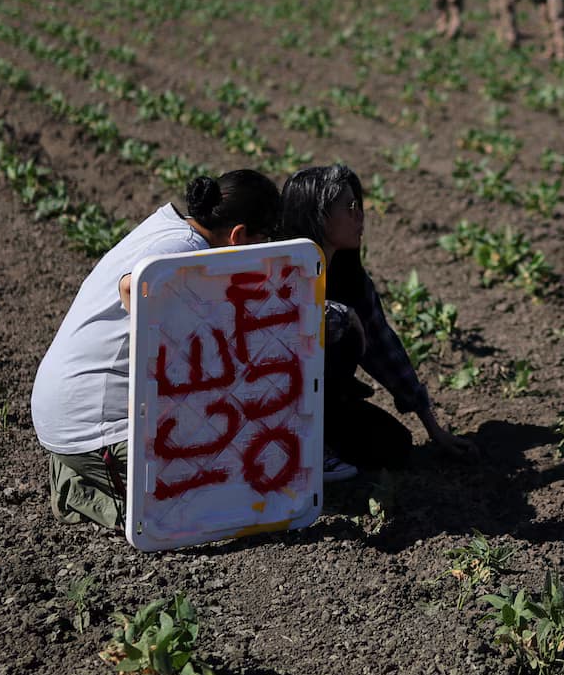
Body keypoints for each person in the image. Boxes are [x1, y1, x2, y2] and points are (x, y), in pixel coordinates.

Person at [31, 170, 281, 528]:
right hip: (94, 425)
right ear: (238, 235)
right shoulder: (185, 251)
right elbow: (133, 287)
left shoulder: (171, 228)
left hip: (67, 409)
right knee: (223, 497)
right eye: (264, 239)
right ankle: (83, 490)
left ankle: (90, 474)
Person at [278, 164, 475, 478]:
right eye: (350, 207)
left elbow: (383, 347)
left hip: (323, 403)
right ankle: (303, 453)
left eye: (359, 205)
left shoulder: (349, 278)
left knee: (394, 446)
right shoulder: (273, 273)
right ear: (317, 215)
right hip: (270, 409)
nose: (360, 217)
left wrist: (432, 426)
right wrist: (339, 318)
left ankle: (320, 441)